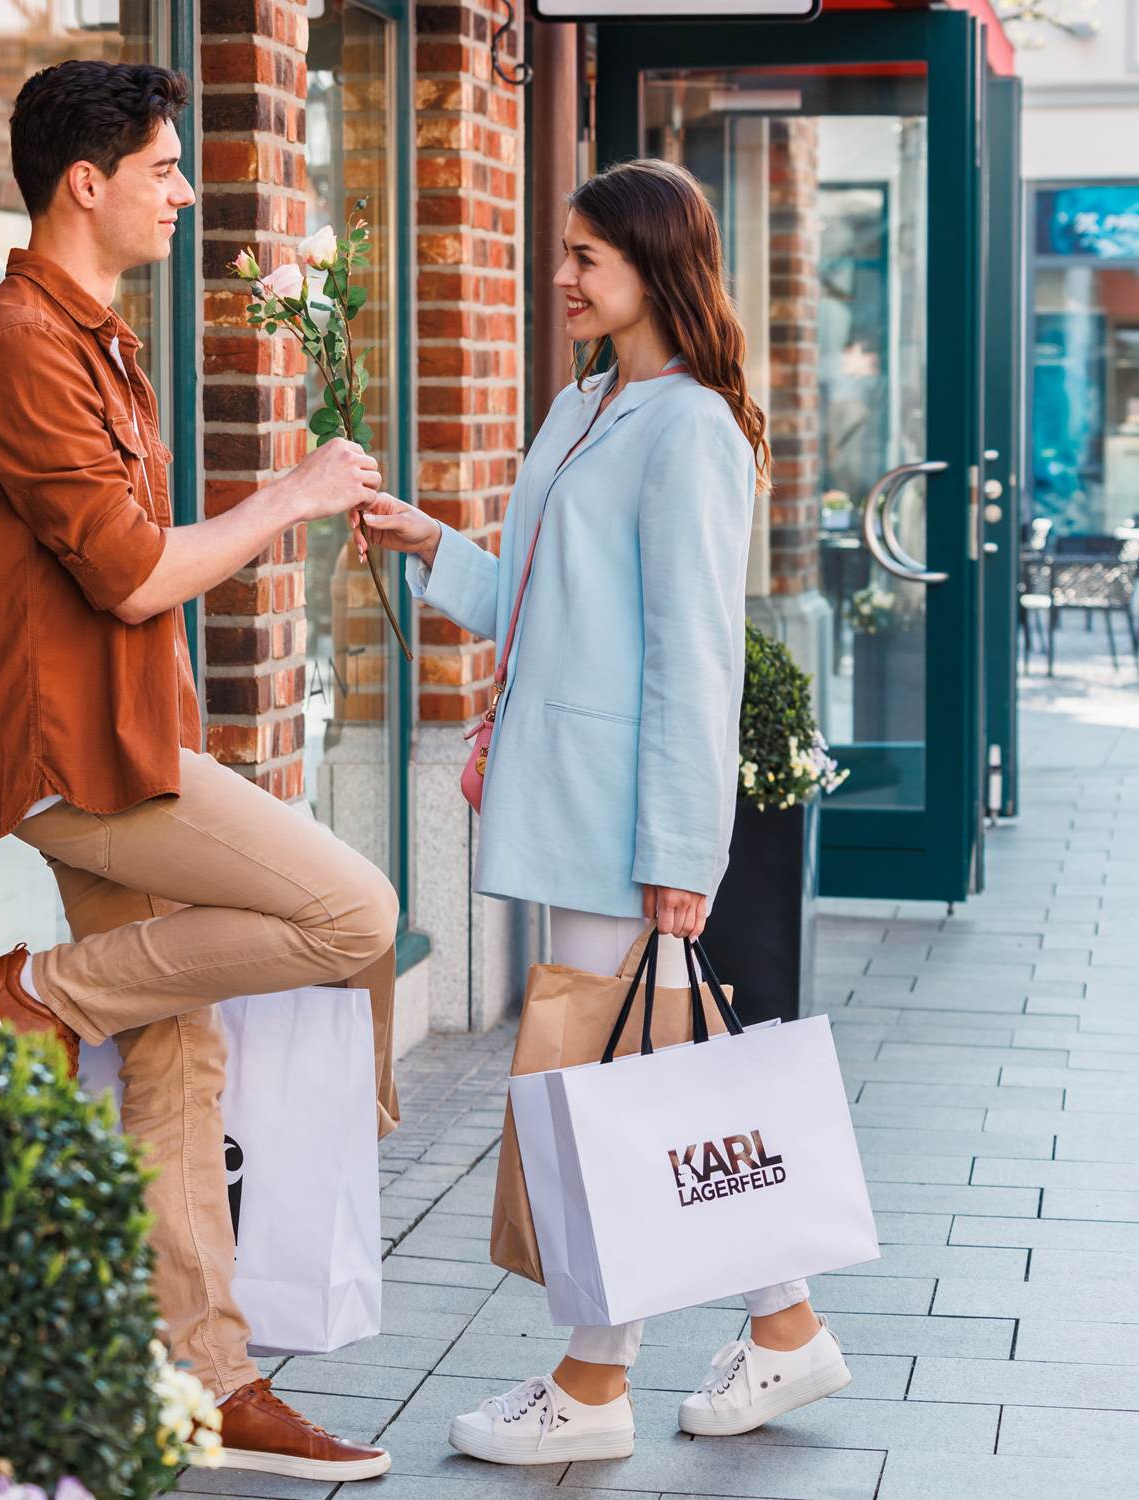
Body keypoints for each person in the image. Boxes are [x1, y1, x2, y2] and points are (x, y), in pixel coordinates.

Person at [0, 60, 396, 1483]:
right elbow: (134, 576)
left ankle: (208, 1381)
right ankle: (34, 995)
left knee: (182, 1054)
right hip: (68, 758)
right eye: (165, 169)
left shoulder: (99, 339)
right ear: (87, 182)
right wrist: (293, 495)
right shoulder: (18, 346)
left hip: (130, 735)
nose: (186, 194)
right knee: (357, 914)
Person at [356, 158, 852, 1464]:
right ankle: (783, 1328)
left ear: (655, 266)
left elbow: (696, 656)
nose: (563, 277)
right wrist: (431, 546)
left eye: (588, 257)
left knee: (605, 1091)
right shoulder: (583, 405)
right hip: (570, 804)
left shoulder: (691, 428)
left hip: (627, 821)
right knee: (645, 1078)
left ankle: (595, 1381)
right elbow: (543, 601)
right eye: (564, 252)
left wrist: (683, 854)